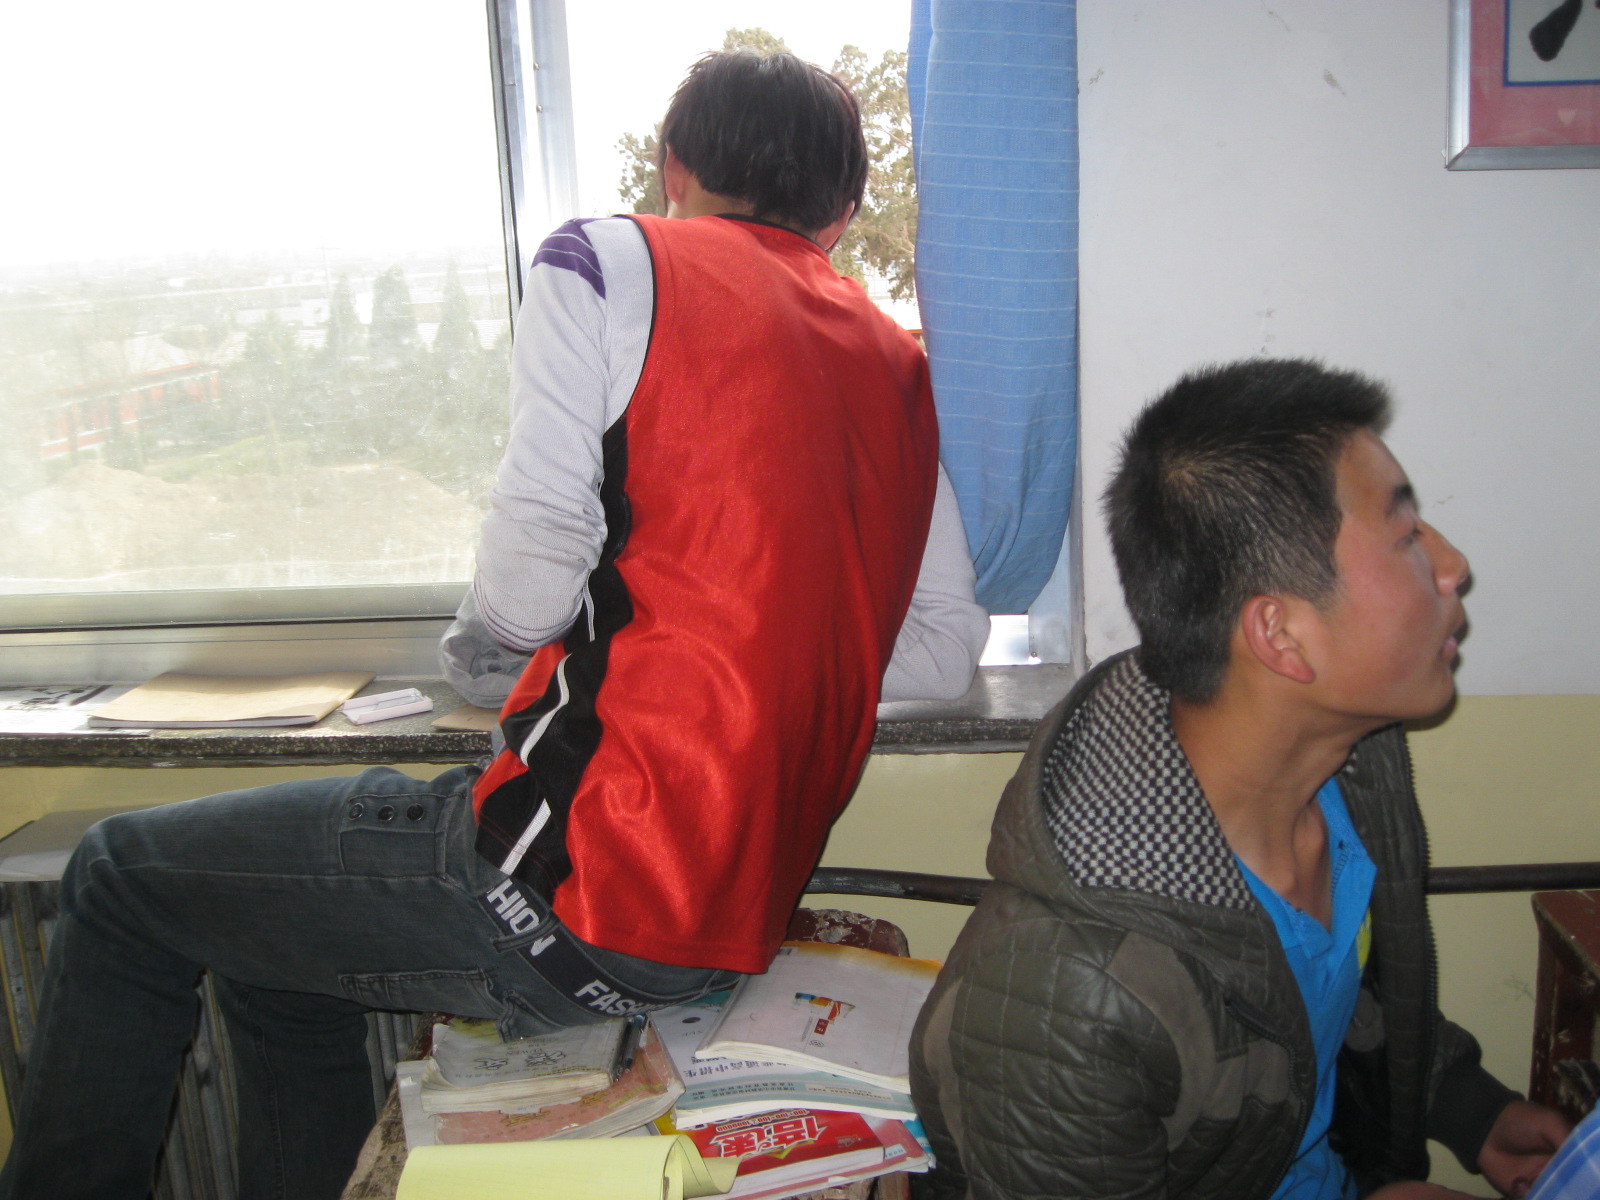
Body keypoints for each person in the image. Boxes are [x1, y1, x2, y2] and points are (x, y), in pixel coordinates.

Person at [0, 51, 986, 1200]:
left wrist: (478, 650)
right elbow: (939, 652)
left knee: (120, 876)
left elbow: (527, 589)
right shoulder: (896, 364)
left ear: (673, 169)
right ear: (843, 209)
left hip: (568, 884)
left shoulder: (608, 260)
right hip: (720, 923)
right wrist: (756, 642)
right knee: (272, 956)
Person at [909, 359, 1569, 1200]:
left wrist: (1472, 1111)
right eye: (1407, 538)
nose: (1454, 564)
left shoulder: (1348, 763)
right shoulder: (1067, 997)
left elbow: (1321, 1000)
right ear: (1282, 637)